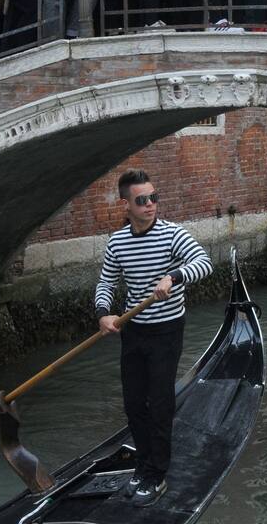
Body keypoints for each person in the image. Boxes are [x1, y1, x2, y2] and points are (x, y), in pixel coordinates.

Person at [94, 169, 212, 507]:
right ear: (127, 205)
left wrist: (174, 276)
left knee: (159, 402)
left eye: (153, 198)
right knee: (134, 402)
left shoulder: (173, 235)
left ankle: (157, 474)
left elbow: (204, 262)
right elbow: (105, 283)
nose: (150, 205)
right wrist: (104, 313)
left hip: (166, 330)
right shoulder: (117, 242)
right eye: (142, 200)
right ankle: (143, 464)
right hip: (134, 331)